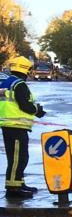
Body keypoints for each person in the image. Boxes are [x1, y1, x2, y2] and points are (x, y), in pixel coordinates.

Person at [1, 56, 45, 200]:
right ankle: (13, 190)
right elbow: (25, 105)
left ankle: (19, 183)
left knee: (17, 157)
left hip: (10, 125)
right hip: (16, 126)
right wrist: (37, 110)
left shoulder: (7, 82)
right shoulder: (19, 84)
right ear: (25, 69)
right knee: (18, 158)